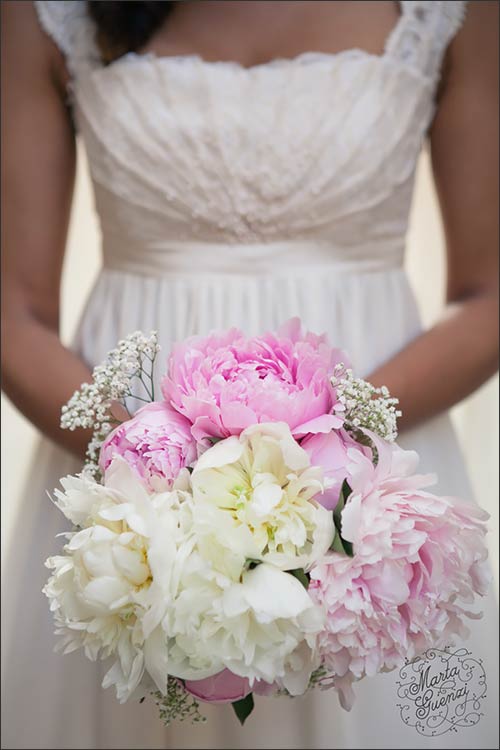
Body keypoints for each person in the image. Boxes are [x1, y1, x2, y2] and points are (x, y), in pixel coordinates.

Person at [1, 1, 498, 748]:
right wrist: (167, 481)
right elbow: (14, 312)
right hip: (125, 491)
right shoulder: (44, 12)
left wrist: (332, 459)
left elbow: (488, 296)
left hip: (378, 475)